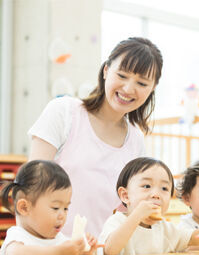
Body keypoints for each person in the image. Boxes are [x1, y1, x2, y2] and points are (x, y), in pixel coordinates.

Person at [28, 37, 163, 236]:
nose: (128, 89)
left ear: (152, 88)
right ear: (106, 70)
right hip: (47, 250)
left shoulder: (136, 141)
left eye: (142, 83)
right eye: (122, 75)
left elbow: (128, 209)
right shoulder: (64, 112)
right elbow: (30, 186)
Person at [99, 157, 199, 255]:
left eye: (164, 188)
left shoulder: (165, 228)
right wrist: (136, 216)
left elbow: (191, 238)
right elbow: (110, 250)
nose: (156, 194)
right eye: (146, 186)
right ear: (125, 196)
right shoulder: (117, 221)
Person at [0, 160, 98, 255]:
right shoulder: (18, 236)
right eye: (55, 208)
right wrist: (60, 252)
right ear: (24, 208)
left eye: (65, 208)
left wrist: (84, 252)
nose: (62, 216)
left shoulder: (60, 239)